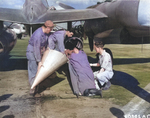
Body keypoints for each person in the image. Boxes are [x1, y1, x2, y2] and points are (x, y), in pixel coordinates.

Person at [26, 20, 54, 95]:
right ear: (47, 27)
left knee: (39, 70)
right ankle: (33, 88)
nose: (51, 30)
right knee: (34, 70)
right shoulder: (38, 34)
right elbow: (36, 48)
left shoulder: (45, 33)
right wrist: (39, 61)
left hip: (39, 51)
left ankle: (37, 86)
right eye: (51, 29)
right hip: (32, 52)